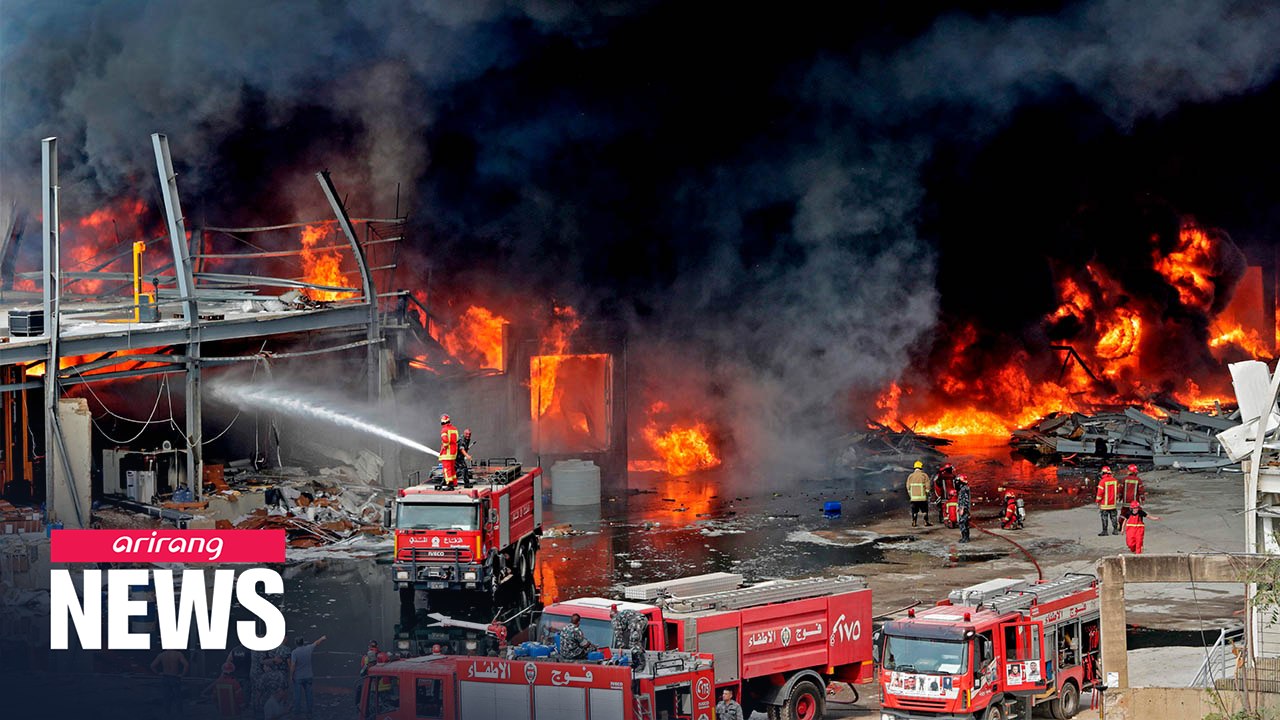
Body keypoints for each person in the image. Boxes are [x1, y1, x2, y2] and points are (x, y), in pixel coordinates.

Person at [290, 634, 326, 719]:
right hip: (308, 675)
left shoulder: (294, 652)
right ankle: (309, 711)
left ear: (296, 643)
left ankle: (297, 712)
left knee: (297, 695)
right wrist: (322, 638)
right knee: (309, 695)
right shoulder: (308, 648)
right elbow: (316, 643)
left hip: (298, 677)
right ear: (303, 642)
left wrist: (291, 675)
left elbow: (293, 665)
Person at [610, 604, 649, 670]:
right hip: (643, 620)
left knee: (633, 643)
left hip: (636, 622)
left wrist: (621, 645)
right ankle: (636, 662)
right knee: (636, 641)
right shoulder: (621, 614)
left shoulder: (615, 620)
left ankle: (641, 664)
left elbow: (618, 633)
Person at [151, 648, 189, 716]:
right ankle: (179, 713)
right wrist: (182, 674)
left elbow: (152, 666)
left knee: (166, 696)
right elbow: (186, 665)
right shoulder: (178, 654)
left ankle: (167, 713)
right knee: (178, 696)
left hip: (165, 677)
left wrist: (158, 673)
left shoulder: (162, 655)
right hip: (174, 677)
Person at [1095, 466, 1120, 536]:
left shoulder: (1102, 482)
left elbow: (1099, 493)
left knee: (1104, 517)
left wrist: (1097, 501)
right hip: (1113, 503)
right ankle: (1115, 530)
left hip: (1104, 504)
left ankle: (1105, 531)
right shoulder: (1115, 481)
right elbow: (1118, 491)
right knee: (1114, 517)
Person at [906, 460, 932, 527]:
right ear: (921, 467)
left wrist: (911, 496)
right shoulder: (924, 475)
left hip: (914, 498)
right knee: (924, 510)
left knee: (914, 511)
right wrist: (927, 494)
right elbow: (928, 487)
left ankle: (914, 522)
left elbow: (908, 487)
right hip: (922, 498)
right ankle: (926, 522)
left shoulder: (910, 476)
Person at [439, 414, 460, 488]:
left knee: (446, 468)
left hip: (447, 452)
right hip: (454, 451)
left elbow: (445, 440)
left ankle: (449, 483)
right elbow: (457, 439)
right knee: (452, 468)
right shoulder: (454, 429)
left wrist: (445, 446)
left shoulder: (444, 430)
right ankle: (454, 482)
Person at [956, 475, 972, 543]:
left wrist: (962, 508)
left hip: (964, 509)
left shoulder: (963, 489)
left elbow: (964, 500)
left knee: (963, 523)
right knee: (965, 523)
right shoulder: (965, 488)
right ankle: (965, 537)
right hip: (964, 508)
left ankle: (965, 538)